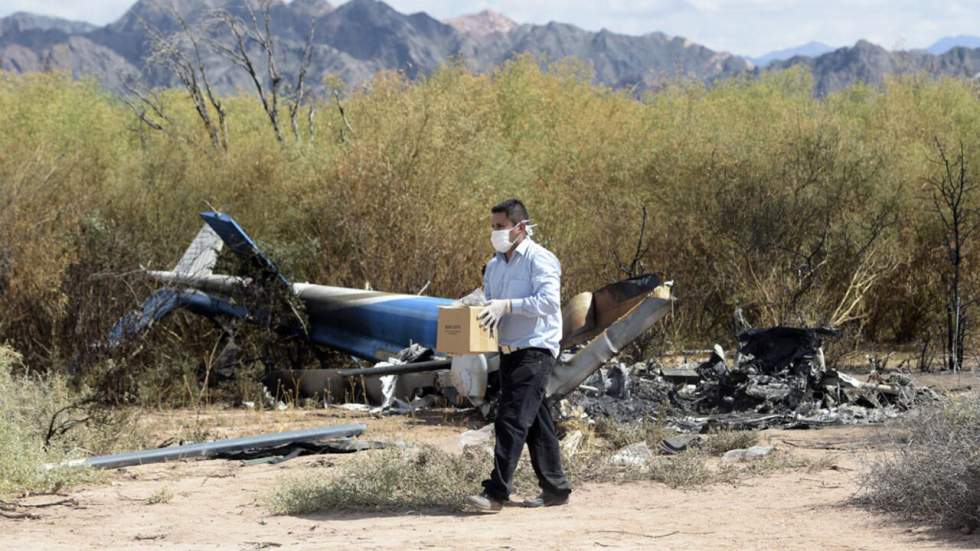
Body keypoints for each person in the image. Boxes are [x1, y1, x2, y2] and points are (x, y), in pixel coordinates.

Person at [465, 198, 572, 512]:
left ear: (521, 227)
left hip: (535, 350)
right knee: (537, 423)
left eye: (501, 226)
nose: (496, 232)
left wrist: (508, 306)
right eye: (493, 226)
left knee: (510, 420)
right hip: (508, 351)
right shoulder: (495, 265)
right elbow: (489, 303)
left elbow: (549, 303)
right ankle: (556, 489)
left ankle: (495, 494)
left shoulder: (541, 260)